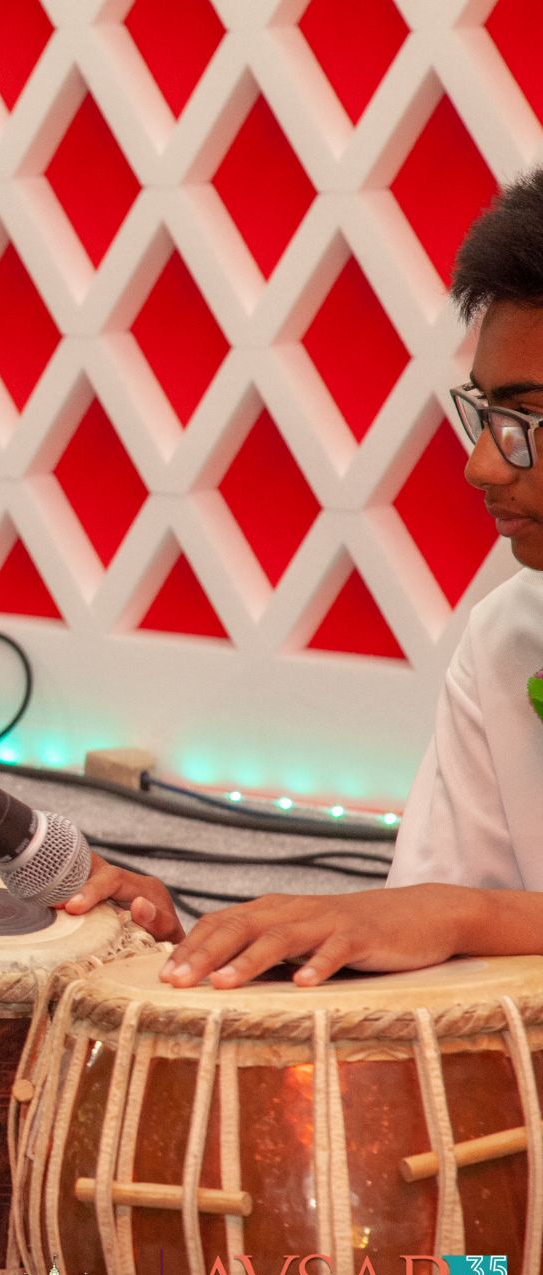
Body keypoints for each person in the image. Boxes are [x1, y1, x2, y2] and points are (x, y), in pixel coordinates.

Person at [65, 167, 543, 990]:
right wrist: (195, 964)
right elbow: (444, 972)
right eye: (484, 414)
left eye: (523, 419)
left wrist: (464, 913)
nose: (478, 464)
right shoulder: (510, 638)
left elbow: (456, 915)